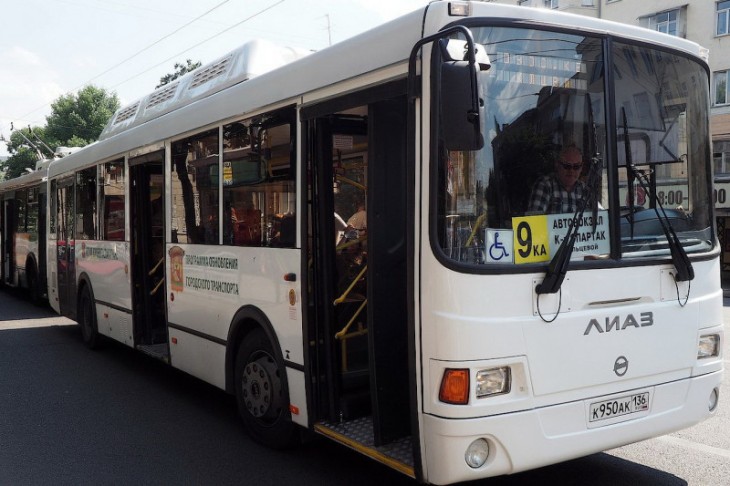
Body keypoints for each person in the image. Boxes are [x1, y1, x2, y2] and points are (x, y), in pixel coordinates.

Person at [528, 145, 589, 214]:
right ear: (557, 165)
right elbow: (535, 220)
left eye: (576, 167)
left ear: (581, 168)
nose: (571, 171)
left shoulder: (586, 190)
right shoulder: (545, 185)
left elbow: (600, 218)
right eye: (567, 166)